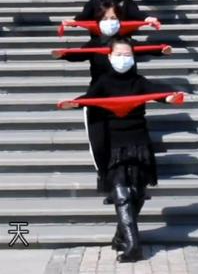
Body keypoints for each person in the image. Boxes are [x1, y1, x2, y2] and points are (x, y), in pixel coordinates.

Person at [59, 37, 181, 262]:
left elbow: (157, 91)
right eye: (119, 55)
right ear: (109, 56)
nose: (123, 59)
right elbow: (89, 98)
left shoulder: (138, 81)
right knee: (122, 194)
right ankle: (134, 246)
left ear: (133, 58)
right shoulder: (104, 82)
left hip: (139, 143)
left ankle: (119, 236)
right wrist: (75, 102)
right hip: (114, 145)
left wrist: (170, 97)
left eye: (127, 55)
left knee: (137, 194)